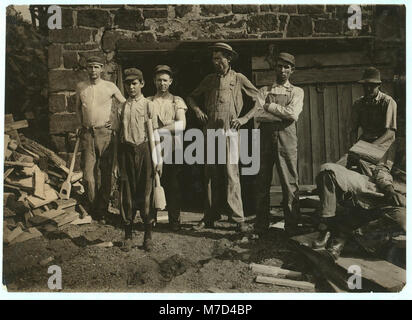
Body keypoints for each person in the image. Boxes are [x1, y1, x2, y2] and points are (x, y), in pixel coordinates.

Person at [313, 67, 405, 260]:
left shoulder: (388, 102)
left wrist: (368, 149)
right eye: (365, 86)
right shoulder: (359, 104)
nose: (368, 90)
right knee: (330, 171)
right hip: (363, 143)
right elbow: (352, 130)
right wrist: (353, 150)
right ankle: (326, 225)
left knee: (377, 178)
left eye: (372, 87)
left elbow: (390, 133)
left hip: (382, 145)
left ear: (378, 86)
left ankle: (350, 230)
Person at [187, 42, 260, 232]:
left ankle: (238, 219)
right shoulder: (209, 79)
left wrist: (244, 119)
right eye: (213, 58)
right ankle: (210, 216)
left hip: (230, 132)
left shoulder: (239, 78)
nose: (216, 62)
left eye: (219, 58)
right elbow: (191, 97)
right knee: (210, 174)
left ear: (229, 58)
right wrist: (197, 111)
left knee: (231, 174)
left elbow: (259, 100)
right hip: (211, 131)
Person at [253, 52, 304, 235]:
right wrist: (278, 113)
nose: (282, 70)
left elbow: (293, 114)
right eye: (279, 66)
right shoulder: (264, 91)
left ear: (292, 70)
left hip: (287, 141)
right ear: (274, 68)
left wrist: (270, 107)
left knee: (289, 183)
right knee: (262, 183)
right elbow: (258, 115)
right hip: (265, 140)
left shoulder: (297, 92)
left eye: (286, 67)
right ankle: (260, 226)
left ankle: (291, 227)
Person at [75, 56, 126, 224]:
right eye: (90, 67)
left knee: (106, 173)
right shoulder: (81, 87)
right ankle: (93, 206)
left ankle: (102, 210)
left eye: (96, 67)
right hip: (87, 134)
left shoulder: (109, 86)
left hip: (105, 133)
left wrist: (116, 122)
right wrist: (80, 125)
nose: (93, 71)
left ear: (102, 69)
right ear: (86, 69)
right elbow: (78, 109)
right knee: (88, 175)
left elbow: (126, 105)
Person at [117, 68, 158, 251]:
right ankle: (128, 235)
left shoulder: (149, 105)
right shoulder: (121, 107)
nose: (131, 87)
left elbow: (154, 133)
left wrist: (157, 158)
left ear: (142, 84)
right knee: (127, 193)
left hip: (145, 150)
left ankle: (147, 236)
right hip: (126, 151)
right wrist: (117, 163)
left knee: (146, 193)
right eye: (128, 84)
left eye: (134, 83)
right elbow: (118, 135)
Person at [148, 65, 187, 231]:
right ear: (154, 81)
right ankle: (151, 218)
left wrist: (159, 130)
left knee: (173, 184)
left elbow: (181, 124)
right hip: (153, 145)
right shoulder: (148, 101)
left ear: (170, 82)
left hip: (172, 146)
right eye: (159, 80)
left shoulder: (176, 101)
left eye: (165, 80)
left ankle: (174, 220)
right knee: (152, 181)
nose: (162, 83)